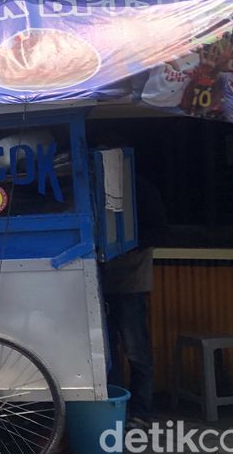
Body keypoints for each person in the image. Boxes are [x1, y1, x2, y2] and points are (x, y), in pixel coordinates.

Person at [101, 174, 167, 431]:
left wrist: (128, 241)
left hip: (132, 282)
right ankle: (118, 409)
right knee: (108, 355)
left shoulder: (142, 189)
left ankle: (140, 413)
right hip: (99, 282)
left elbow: (161, 232)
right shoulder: (95, 187)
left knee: (136, 351)